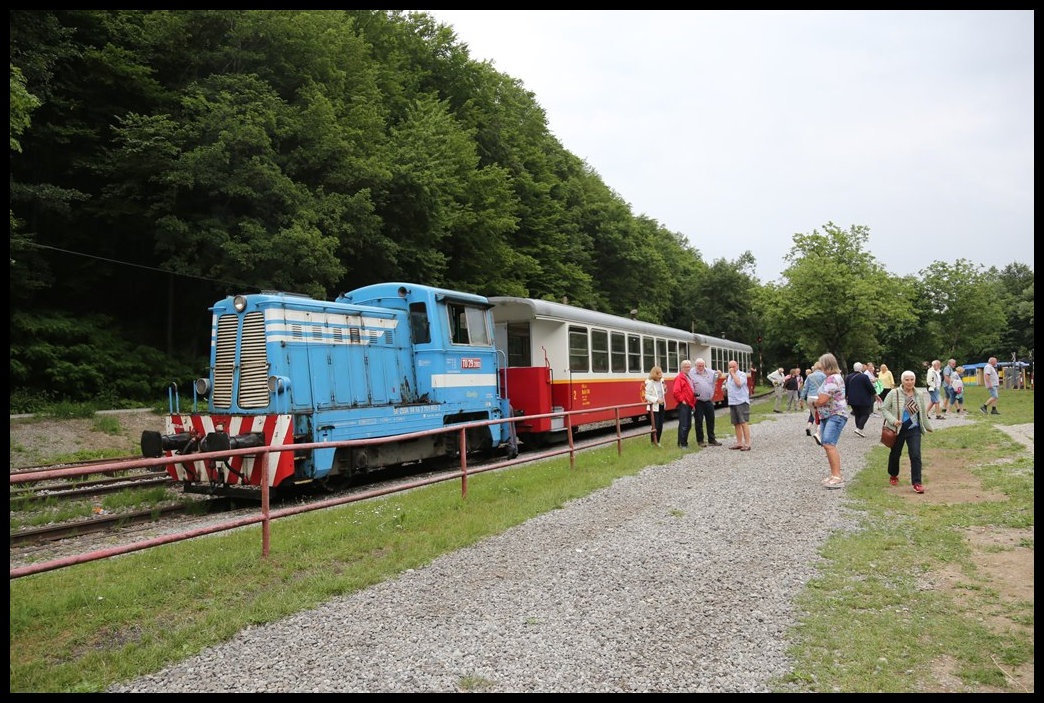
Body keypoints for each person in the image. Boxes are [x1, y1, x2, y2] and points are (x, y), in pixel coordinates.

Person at [882, 370, 934, 493]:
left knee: (915, 455)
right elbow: (884, 408)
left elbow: (922, 412)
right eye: (907, 380)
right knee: (895, 454)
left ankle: (917, 483)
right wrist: (893, 420)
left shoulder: (919, 394)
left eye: (912, 379)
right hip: (898, 429)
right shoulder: (894, 393)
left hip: (914, 429)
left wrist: (927, 426)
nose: (909, 382)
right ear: (902, 381)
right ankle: (893, 474)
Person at [813, 353, 848, 489]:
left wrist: (815, 403)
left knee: (829, 443)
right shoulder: (834, 378)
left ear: (826, 365)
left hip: (835, 414)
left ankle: (837, 476)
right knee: (828, 444)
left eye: (822, 364)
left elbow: (823, 400)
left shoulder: (832, 379)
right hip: (829, 415)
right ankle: (834, 474)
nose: (820, 367)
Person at [688, 358, 722, 447]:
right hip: (698, 401)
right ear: (695, 366)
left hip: (708, 400)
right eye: (699, 366)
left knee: (711, 420)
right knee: (698, 421)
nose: (701, 367)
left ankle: (712, 439)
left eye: (702, 365)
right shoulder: (691, 373)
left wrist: (719, 374)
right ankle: (700, 440)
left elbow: (716, 378)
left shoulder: (710, 372)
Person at [844, 362, 876, 437]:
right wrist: (875, 394)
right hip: (863, 399)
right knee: (866, 414)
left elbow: (846, 387)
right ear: (861, 368)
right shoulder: (864, 377)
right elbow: (870, 387)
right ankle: (859, 428)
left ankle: (859, 429)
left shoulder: (849, 377)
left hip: (852, 399)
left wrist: (845, 396)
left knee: (857, 414)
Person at [726, 359, 752, 451]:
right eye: (730, 367)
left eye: (733, 366)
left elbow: (739, 383)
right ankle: (739, 443)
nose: (732, 368)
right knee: (736, 423)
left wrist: (733, 374)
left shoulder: (742, 374)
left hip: (741, 401)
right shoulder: (728, 376)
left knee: (743, 422)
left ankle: (747, 443)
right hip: (732, 401)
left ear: (737, 366)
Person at [800, 361, 827, 440]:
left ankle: (817, 432)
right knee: (821, 416)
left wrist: (801, 398)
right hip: (819, 398)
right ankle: (818, 433)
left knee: (815, 416)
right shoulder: (824, 376)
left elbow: (805, 388)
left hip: (810, 398)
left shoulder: (810, 376)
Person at [672, 359, 695, 448]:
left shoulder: (688, 377)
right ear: (682, 368)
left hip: (689, 404)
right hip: (684, 404)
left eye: (689, 366)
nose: (688, 368)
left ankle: (684, 442)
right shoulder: (679, 378)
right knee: (684, 424)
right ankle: (682, 444)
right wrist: (682, 401)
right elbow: (676, 392)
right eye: (686, 367)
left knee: (688, 424)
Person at [643, 365, 668, 446]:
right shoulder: (650, 383)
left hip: (661, 405)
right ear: (655, 374)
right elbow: (646, 395)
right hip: (653, 407)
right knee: (655, 425)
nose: (661, 374)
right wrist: (656, 400)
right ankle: (653, 442)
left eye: (661, 372)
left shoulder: (661, 382)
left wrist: (665, 389)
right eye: (659, 373)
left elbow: (661, 393)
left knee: (660, 425)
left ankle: (658, 441)